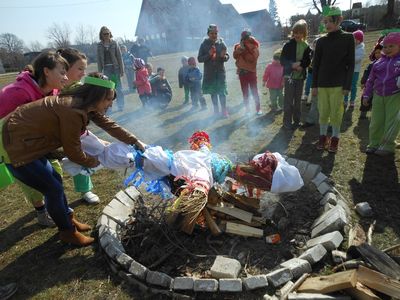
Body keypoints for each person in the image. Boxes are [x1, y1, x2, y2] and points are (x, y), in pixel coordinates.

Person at [0, 73, 147, 246]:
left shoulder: (84, 104)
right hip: (15, 147)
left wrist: (134, 140)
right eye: (108, 99)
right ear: (97, 96)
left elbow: (110, 125)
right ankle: (67, 232)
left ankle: (68, 220)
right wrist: (95, 162)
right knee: (52, 189)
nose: (110, 104)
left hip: (27, 142)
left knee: (55, 180)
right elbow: (73, 151)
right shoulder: (72, 110)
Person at [0, 50, 68, 227]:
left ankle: (65, 219)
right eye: (62, 72)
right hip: (15, 151)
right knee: (46, 186)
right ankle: (47, 217)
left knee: (55, 178)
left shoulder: (51, 92)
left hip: (36, 145)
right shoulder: (17, 93)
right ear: (46, 71)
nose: (66, 78)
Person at [57, 48, 101, 204]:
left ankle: (85, 190)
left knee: (80, 156)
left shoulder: (80, 89)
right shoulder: (54, 88)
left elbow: (98, 115)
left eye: (85, 69)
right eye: (80, 69)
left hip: (76, 133)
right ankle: (45, 202)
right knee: (53, 169)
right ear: (65, 68)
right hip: (53, 136)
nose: (83, 73)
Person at [312, 6, 355, 153]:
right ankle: (323, 136)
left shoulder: (348, 38)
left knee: (336, 113)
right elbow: (316, 65)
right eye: (325, 21)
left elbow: (351, 64)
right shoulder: (321, 41)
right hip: (322, 84)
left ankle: (335, 138)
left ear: (340, 20)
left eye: (331, 21)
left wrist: (347, 86)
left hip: (338, 84)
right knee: (323, 111)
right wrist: (314, 85)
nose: (328, 24)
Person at [362, 32, 400, 156]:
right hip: (378, 95)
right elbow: (370, 80)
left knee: (391, 121)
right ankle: (374, 144)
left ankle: (387, 146)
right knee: (376, 121)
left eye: (392, 46)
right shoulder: (378, 63)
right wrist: (367, 95)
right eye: (385, 47)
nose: (387, 49)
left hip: (394, 96)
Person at [280, 19, 311, 129]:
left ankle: (297, 120)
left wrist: (301, 65)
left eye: (300, 32)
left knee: (298, 101)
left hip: (300, 78)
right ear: (293, 32)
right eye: (295, 32)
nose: (297, 35)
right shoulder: (288, 45)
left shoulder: (306, 46)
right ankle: (286, 121)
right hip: (289, 77)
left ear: (304, 33)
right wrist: (292, 65)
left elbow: (308, 60)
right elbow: (282, 60)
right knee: (288, 100)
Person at [198, 24, 230, 118]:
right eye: (212, 33)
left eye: (215, 33)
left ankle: (224, 111)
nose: (214, 35)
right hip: (210, 74)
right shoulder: (204, 44)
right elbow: (199, 59)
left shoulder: (221, 43)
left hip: (220, 74)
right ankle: (216, 111)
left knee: (222, 93)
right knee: (214, 93)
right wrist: (209, 54)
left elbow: (227, 56)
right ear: (208, 34)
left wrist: (224, 56)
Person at [233, 30, 262, 115]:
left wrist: (245, 51)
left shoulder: (254, 46)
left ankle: (258, 109)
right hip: (242, 73)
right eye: (244, 37)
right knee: (245, 93)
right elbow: (235, 56)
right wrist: (240, 49)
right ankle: (248, 110)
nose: (245, 39)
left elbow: (252, 59)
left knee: (254, 92)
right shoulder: (239, 46)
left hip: (251, 72)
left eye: (247, 37)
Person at [97, 26, 125, 112]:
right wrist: (99, 72)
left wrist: (122, 70)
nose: (106, 35)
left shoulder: (114, 43)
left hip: (115, 68)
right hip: (106, 69)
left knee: (118, 88)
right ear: (101, 35)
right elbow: (98, 59)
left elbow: (119, 57)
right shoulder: (99, 45)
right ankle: (109, 107)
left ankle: (120, 106)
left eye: (108, 33)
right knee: (108, 89)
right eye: (104, 34)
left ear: (110, 34)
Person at [359, 43, 383, 119]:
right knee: (365, 98)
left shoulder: (386, 64)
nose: (377, 54)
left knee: (377, 102)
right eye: (376, 53)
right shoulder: (372, 64)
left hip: (380, 87)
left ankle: (376, 116)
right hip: (370, 86)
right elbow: (366, 73)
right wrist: (363, 82)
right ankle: (363, 114)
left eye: (379, 52)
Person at [301, 37, 320, 128]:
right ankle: (307, 97)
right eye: (314, 44)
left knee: (316, 92)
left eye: (317, 44)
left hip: (320, 76)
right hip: (311, 73)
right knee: (309, 86)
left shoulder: (321, 53)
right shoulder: (311, 52)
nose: (315, 46)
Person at [344, 30, 365, 109]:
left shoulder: (361, 48)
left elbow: (357, 59)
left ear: (359, 40)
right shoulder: (349, 46)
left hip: (355, 70)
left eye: (355, 39)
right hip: (347, 69)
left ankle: (352, 100)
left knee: (353, 85)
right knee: (346, 85)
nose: (353, 41)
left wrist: (348, 59)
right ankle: (345, 99)